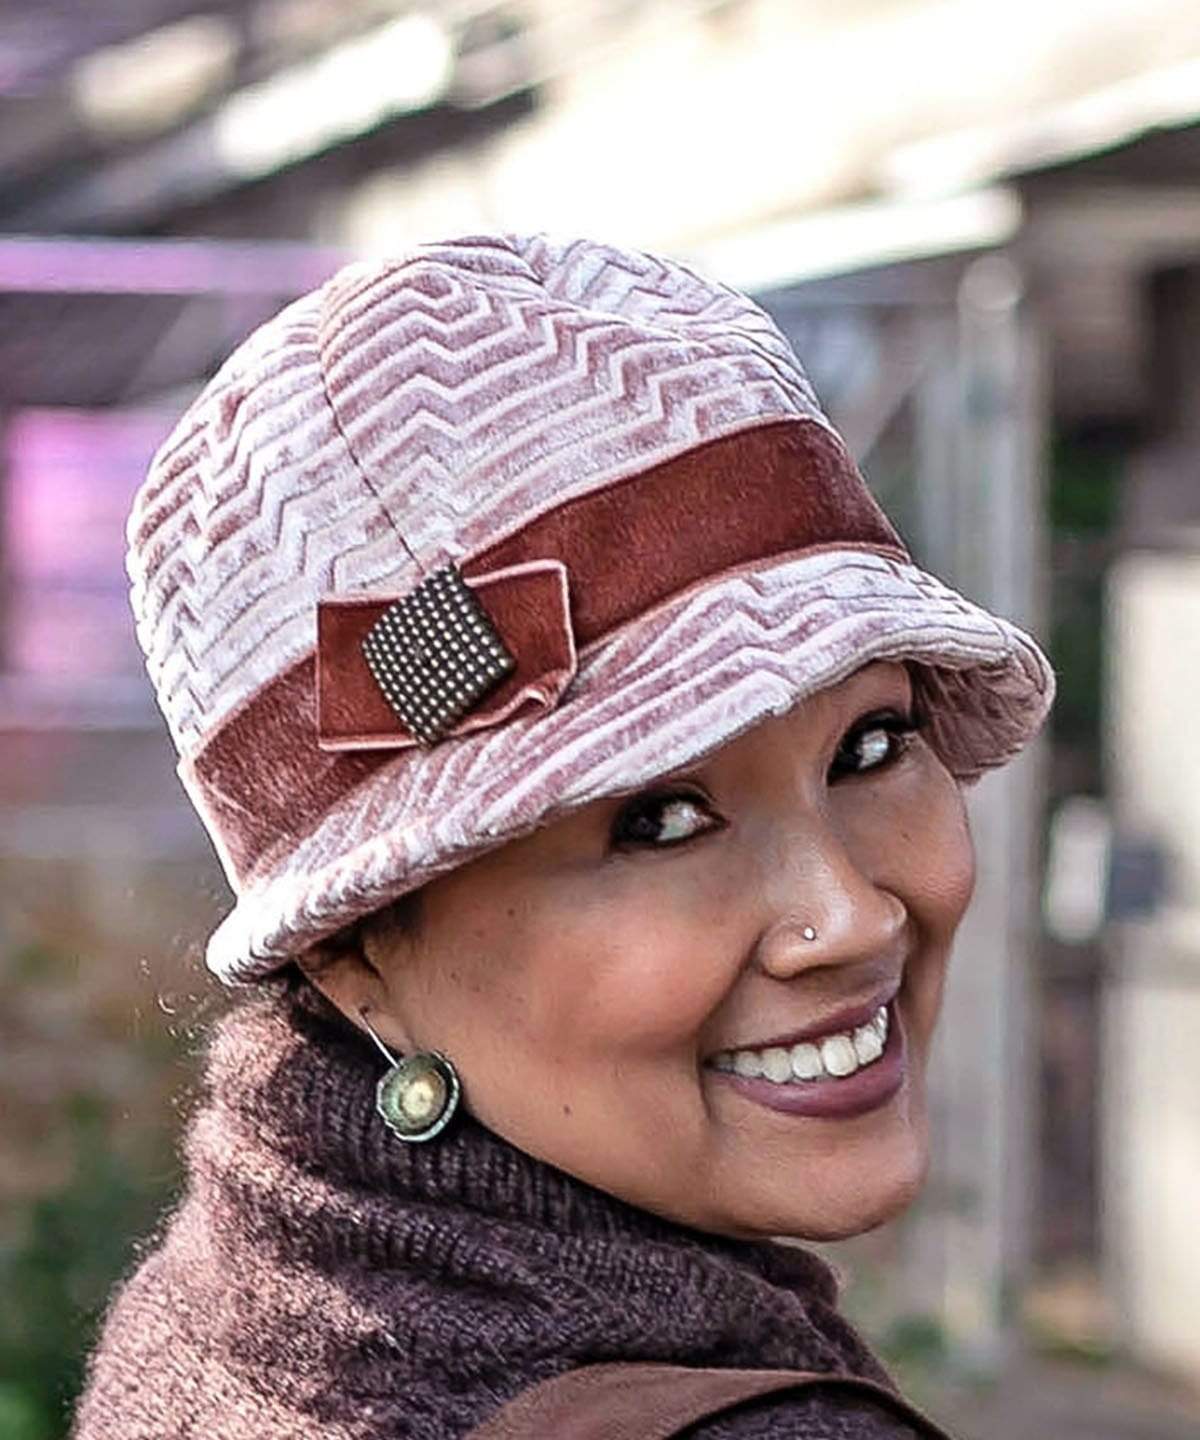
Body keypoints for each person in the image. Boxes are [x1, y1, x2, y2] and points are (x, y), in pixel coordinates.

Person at [74, 233, 1053, 1439]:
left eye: (869, 748)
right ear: (355, 953)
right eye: (660, 820)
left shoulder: (226, 1303)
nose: (848, 916)